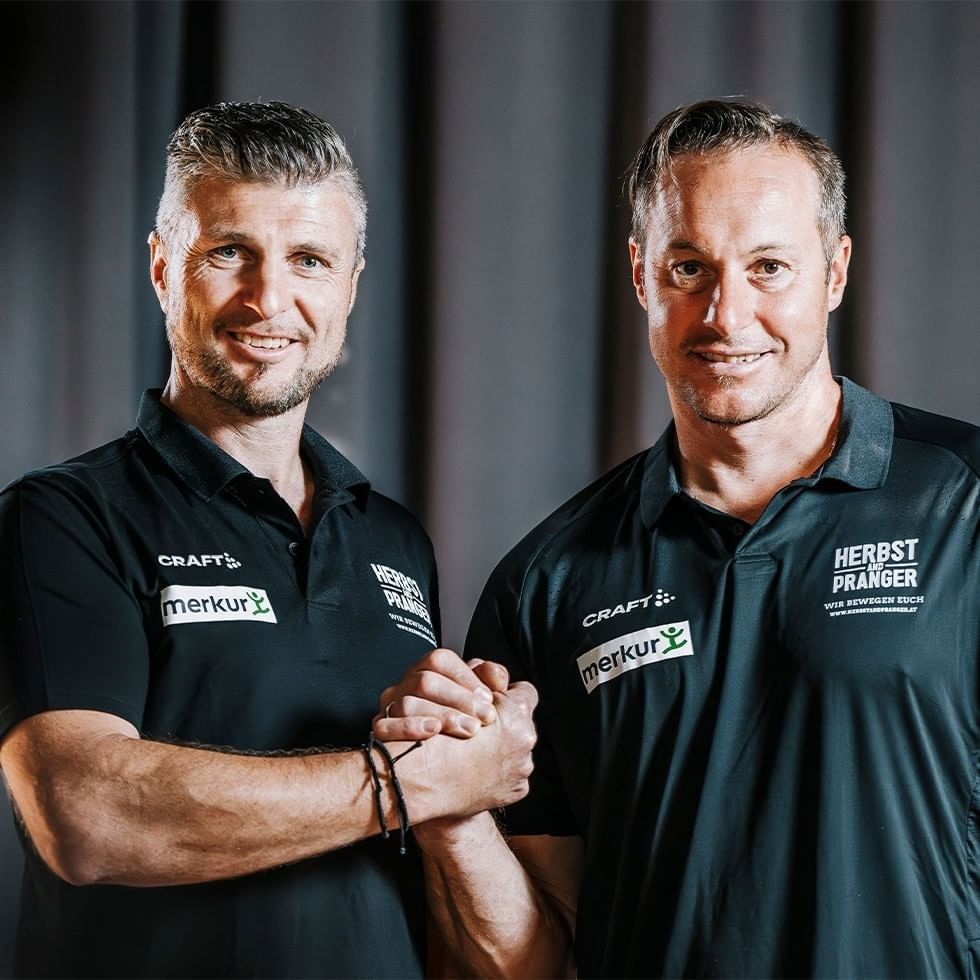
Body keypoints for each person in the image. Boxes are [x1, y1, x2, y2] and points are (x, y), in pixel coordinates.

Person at [376, 100, 980, 978]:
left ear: (837, 271)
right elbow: (536, 959)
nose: (726, 316)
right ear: (640, 274)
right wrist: (448, 806)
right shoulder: (547, 581)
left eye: (769, 267)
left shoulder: (963, 499)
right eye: (689, 267)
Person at [0, 101, 537, 979]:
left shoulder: (394, 540)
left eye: (309, 260)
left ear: (352, 285)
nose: (269, 299)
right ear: (162, 266)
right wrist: (405, 784)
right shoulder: (61, 518)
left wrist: (462, 768)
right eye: (229, 253)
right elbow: (84, 813)